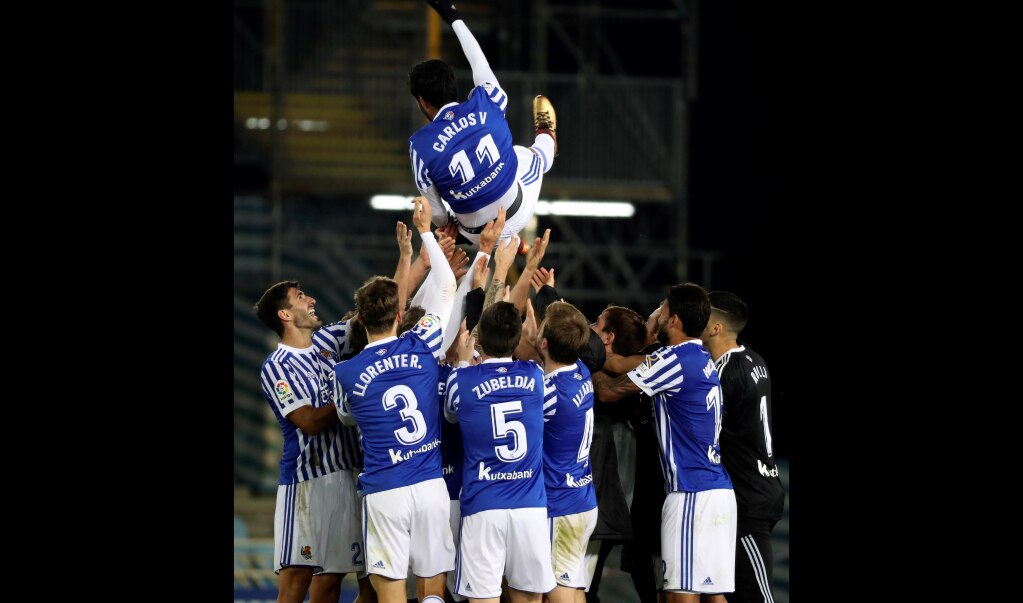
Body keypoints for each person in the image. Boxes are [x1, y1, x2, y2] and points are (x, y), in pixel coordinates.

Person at [333, 197, 457, 603]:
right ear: (401, 314)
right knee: (433, 592)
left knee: (390, 596)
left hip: (384, 488)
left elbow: (346, 417)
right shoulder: (423, 344)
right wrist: (425, 231)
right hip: (429, 486)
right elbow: (448, 285)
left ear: (361, 320)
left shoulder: (345, 372)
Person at [592, 283, 736, 602]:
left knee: (677, 597)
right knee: (714, 597)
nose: (657, 313)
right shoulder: (701, 357)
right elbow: (626, 366)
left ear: (673, 320)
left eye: (663, 309)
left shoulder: (673, 360)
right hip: (718, 493)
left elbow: (608, 390)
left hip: (690, 496)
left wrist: (577, 367)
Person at [254, 281, 369, 603]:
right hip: (306, 482)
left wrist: (417, 262)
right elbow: (308, 422)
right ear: (285, 314)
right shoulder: (277, 367)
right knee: (296, 582)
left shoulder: (326, 343)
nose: (311, 299)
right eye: (301, 297)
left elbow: (377, 312)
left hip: (347, 476)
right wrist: (353, 396)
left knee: (331, 580)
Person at [409, 0, 558, 246]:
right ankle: (547, 134)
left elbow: (437, 216)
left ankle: (510, 241)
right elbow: (479, 63)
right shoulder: (487, 101)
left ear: (422, 102)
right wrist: (452, 16)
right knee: (530, 156)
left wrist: (448, 222)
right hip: (517, 212)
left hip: (473, 235)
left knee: (446, 215)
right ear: (453, 86)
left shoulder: (419, 147)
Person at [444, 301, 556, 602]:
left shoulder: (462, 381)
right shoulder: (536, 376)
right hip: (530, 507)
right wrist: (534, 347)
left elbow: (452, 414)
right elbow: (547, 410)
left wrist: (465, 363)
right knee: (530, 599)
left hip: (483, 506)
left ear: (478, 339)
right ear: (518, 339)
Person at [699, 292, 784, 603]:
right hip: (760, 485)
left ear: (716, 328)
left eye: (703, 317)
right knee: (718, 591)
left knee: (757, 595)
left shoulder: (724, 373)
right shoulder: (754, 360)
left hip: (747, 496)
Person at [535, 301, 599, 603]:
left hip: (559, 503)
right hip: (583, 498)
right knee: (573, 589)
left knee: (557, 593)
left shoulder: (548, 393)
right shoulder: (582, 371)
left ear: (544, 342)